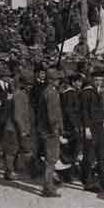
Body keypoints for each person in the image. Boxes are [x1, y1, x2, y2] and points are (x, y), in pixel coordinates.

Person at [80, 69, 104, 192]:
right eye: (96, 80)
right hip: (91, 126)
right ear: (92, 80)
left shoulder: (100, 91)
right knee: (89, 154)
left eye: (100, 80)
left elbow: (100, 108)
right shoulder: (87, 92)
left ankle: (102, 180)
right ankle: (88, 181)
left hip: (99, 125)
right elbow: (85, 111)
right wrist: (86, 128)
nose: (98, 82)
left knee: (102, 152)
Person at [38, 68, 63, 197]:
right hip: (51, 132)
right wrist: (55, 130)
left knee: (50, 159)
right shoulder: (52, 93)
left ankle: (48, 185)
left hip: (46, 130)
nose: (59, 81)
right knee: (51, 159)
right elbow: (52, 115)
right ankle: (48, 187)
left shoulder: (47, 91)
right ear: (52, 80)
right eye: (57, 79)